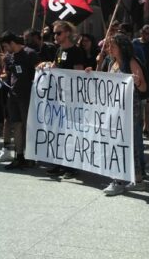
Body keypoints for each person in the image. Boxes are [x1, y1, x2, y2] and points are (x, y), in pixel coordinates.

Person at [99, 33, 148, 196]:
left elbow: (143, 88)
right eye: (108, 46)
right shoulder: (111, 63)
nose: (109, 48)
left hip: (129, 111)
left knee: (126, 144)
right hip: (114, 110)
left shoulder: (131, 63)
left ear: (122, 48)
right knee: (118, 143)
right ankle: (137, 180)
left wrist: (137, 81)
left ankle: (119, 181)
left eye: (112, 45)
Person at [42, 20, 85, 178]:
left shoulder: (76, 51)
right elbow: (55, 66)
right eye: (54, 33)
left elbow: (78, 73)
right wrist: (46, 66)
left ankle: (72, 167)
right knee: (58, 131)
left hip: (71, 98)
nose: (55, 35)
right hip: (58, 98)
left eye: (58, 33)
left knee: (70, 132)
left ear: (67, 33)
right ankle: (58, 162)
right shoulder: (58, 50)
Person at [0, 32, 38, 170]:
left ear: (12, 43)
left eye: (5, 45)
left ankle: (31, 156)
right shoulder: (9, 57)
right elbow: (8, 74)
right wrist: (2, 77)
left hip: (27, 96)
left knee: (29, 126)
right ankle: (19, 156)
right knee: (17, 126)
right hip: (13, 95)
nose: (5, 49)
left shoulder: (30, 54)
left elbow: (39, 73)